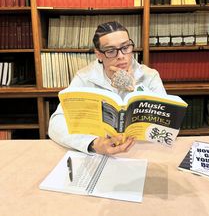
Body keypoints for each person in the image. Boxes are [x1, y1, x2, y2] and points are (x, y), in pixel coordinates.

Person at [48, 21, 167, 155]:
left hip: (141, 150)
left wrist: (134, 88)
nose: (121, 55)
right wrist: (93, 143)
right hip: (98, 153)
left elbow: (166, 126)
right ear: (98, 54)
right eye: (111, 51)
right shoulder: (85, 77)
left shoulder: (150, 76)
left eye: (125, 47)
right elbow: (55, 124)